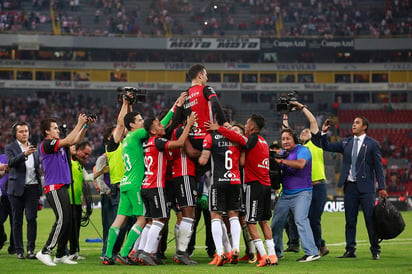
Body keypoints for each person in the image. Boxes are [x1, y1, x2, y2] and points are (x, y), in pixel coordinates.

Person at [103, 100, 177, 265]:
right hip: (136, 183)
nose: (143, 122)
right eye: (140, 120)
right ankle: (124, 253)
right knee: (142, 220)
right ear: (132, 125)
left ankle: (108, 255)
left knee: (119, 220)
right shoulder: (136, 135)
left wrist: (128, 105)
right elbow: (158, 126)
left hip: (124, 182)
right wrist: (173, 108)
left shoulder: (126, 140)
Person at [205, 114, 278, 267]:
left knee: (250, 221)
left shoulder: (251, 139)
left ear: (251, 127)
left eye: (247, 123)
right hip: (266, 184)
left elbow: (242, 155)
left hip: (255, 185)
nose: (245, 126)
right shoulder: (264, 141)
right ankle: (273, 254)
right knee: (264, 221)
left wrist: (218, 129)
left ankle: (263, 256)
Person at [320, 116, 388, 260]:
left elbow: (378, 167)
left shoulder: (372, 144)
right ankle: (350, 250)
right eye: (353, 123)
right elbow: (327, 147)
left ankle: (375, 249)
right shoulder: (346, 142)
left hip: (367, 189)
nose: (353, 125)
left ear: (364, 127)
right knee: (350, 221)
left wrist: (382, 187)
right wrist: (324, 133)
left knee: (370, 220)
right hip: (350, 187)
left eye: (357, 123)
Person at [36, 114, 95, 266]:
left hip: (62, 187)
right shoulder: (47, 144)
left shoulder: (58, 144)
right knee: (62, 220)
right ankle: (45, 251)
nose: (57, 130)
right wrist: (79, 122)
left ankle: (61, 254)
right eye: (55, 128)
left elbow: (75, 141)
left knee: (67, 221)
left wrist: (85, 126)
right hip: (54, 187)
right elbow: (69, 140)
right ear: (47, 132)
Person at [138, 112, 196, 266]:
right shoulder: (158, 141)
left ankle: (140, 251)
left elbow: (168, 155)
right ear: (152, 130)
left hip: (146, 186)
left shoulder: (146, 143)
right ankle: (146, 253)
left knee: (152, 221)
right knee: (159, 221)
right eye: (158, 124)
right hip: (156, 187)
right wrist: (189, 125)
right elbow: (179, 143)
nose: (162, 125)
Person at [284, 102, 330, 256]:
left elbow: (312, 122)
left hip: (318, 187)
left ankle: (318, 246)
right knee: (306, 219)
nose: (304, 131)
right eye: (302, 132)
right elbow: (286, 131)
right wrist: (285, 114)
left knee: (314, 218)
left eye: (307, 131)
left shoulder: (316, 143)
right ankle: (319, 246)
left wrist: (301, 107)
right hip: (304, 188)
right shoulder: (298, 149)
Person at [271, 128, 320, 263]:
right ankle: (277, 252)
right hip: (286, 194)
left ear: (294, 139)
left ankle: (312, 252)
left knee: (300, 219)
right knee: (276, 223)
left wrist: (281, 161)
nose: (285, 141)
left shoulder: (302, 150)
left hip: (302, 192)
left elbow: (301, 164)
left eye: (288, 138)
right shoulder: (284, 153)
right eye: (283, 139)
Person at [199, 121, 243, 266]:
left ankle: (220, 253)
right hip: (235, 181)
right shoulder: (236, 136)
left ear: (215, 122)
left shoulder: (210, 137)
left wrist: (201, 159)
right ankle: (235, 249)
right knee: (233, 215)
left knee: (215, 217)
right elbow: (244, 145)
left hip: (218, 181)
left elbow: (204, 158)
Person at [5, 122, 42, 260]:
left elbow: (37, 169)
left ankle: (30, 250)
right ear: (15, 133)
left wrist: (39, 190)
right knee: (17, 220)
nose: (24, 133)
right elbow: (10, 162)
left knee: (32, 219)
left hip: (32, 188)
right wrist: (24, 154)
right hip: (16, 189)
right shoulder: (10, 147)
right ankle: (19, 250)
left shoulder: (35, 148)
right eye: (21, 131)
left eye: (26, 130)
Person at [68, 142, 108, 260]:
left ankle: (74, 252)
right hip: (67, 199)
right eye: (85, 153)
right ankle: (63, 252)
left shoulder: (80, 164)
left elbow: (87, 178)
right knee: (67, 227)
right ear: (78, 150)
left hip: (77, 200)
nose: (87, 157)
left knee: (76, 228)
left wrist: (101, 171)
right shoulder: (67, 162)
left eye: (88, 154)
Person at [183, 64, 229, 155]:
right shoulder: (206, 89)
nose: (206, 78)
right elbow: (215, 102)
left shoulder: (185, 94)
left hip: (192, 139)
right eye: (206, 75)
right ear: (200, 75)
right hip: (207, 137)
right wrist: (224, 122)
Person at [0, 156, 15, 255]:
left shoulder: (21, 156)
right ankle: (2, 238)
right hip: (3, 196)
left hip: (15, 195)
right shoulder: (2, 157)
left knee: (15, 223)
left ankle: (13, 247)